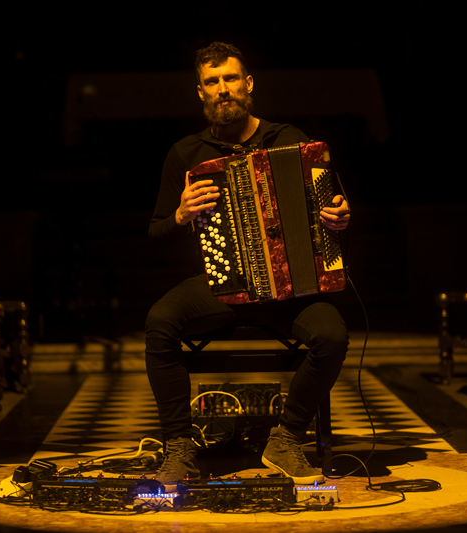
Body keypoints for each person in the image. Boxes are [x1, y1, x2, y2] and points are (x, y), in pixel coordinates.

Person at [146, 42, 350, 488]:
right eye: (212, 82)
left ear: (248, 83)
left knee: (333, 336)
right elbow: (156, 235)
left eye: (230, 78)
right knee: (160, 322)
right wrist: (180, 215)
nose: (223, 89)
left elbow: (332, 208)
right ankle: (179, 448)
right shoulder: (186, 153)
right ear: (200, 91)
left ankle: (287, 438)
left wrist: (338, 216)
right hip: (221, 285)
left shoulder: (292, 140)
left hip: (292, 288)